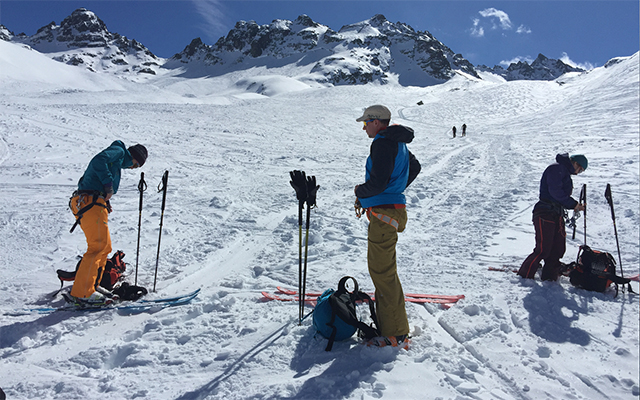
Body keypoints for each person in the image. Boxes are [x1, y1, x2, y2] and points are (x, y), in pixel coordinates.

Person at [354, 105, 421, 348]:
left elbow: (378, 182)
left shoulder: (383, 142)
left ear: (376, 121)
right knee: (385, 271)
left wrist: (360, 192)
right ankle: (391, 325)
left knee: (382, 272)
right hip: (391, 210)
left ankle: (395, 333)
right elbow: (414, 167)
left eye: (365, 123)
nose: (364, 128)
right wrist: (396, 188)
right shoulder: (397, 142)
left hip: (384, 213)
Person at [67, 140, 147, 305]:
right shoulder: (118, 151)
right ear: (134, 156)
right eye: (136, 165)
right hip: (89, 201)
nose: (133, 168)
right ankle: (82, 293)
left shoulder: (117, 161)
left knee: (105, 247)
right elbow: (98, 161)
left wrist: (105, 198)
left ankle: (92, 286)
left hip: (92, 201)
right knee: (97, 246)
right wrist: (108, 185)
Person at [518, 153, 587, 281]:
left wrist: (574, 206)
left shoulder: (564, 172)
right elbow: (555, 192)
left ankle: (550, 277)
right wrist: (573, 204)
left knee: (558, 248)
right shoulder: (557, 169)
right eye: (580, 169)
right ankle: (525, 275)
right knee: (543, 248)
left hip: (556, 213)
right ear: (576, 163)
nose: (578, 172)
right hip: (545, 212)